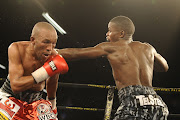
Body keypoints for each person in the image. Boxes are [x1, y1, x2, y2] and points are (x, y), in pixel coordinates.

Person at [56, 16, 169, 120]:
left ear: (121, 34)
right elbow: (164, 67)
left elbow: (78, 53)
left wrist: (54, 52)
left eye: (110, 30)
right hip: (157, 103)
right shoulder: (147, 47)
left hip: (133, 102)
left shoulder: (111, 47)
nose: (107, 34)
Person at [0, 22, 69, 120]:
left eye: (53, 44)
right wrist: (46, 71)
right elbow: (15, 86)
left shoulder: (53, 56)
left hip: (34, 101)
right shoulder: (16, 48)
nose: (50, 48)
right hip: (9, 96)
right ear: (33, 40)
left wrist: (52, 104)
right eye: (46, 42)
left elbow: (52, 83)